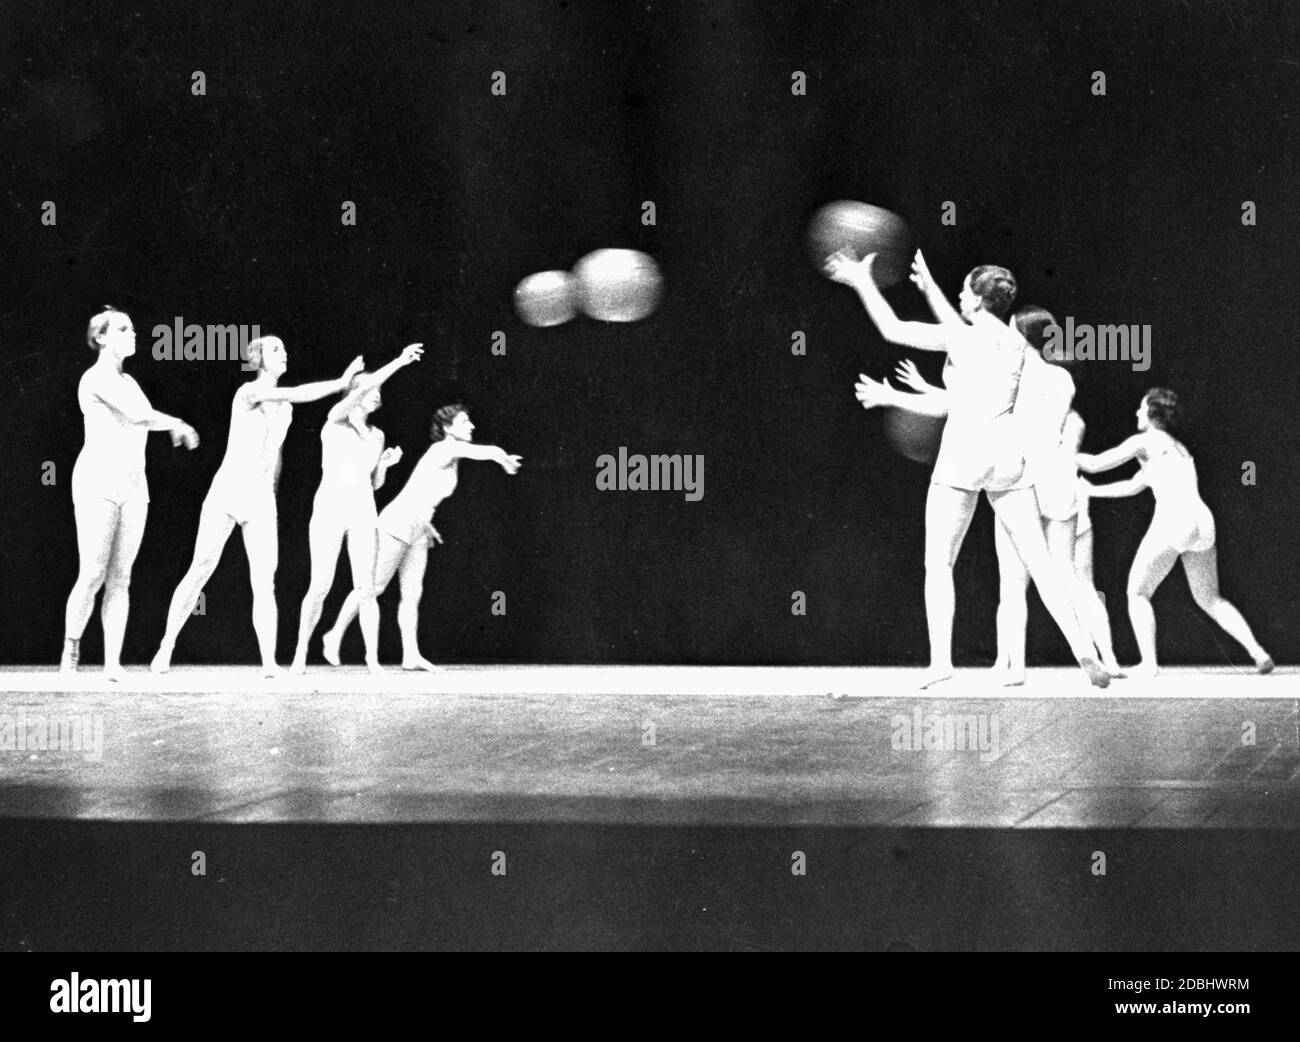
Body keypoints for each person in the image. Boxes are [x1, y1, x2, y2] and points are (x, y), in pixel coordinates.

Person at [828, 249, 1108, 688]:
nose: (959, 297)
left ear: (977, 300)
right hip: (1008, 460)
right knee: (1043, 563)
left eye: (964, 290)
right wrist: (932, 288)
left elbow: (892, 329)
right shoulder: (1017, 343)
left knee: (939, 564)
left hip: (965, 454)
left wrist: (862, 280)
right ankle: (1085, 652)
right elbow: (964, 344)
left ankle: (941, 662)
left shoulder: (961, 338)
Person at [893, 305, 1123, 684]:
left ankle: (1012, 667)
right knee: (1064, 574)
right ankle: (1094, 653)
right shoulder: (1064, 379)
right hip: (1061, 482)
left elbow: (967, 404)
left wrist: (915, 389)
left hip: (1021, 474)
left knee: (1012, 584)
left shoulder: (1007, 365)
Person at [150, 338, 365, 677]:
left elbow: (276, 454)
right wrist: (341, 382)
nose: (284, 353)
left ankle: (268, 662)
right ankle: (166, 646)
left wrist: (272, 495)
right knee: (201, 568)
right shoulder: (248, 392)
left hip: (261, 498)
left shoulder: (287, 410)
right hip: (227, 491)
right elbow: (294, 393)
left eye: (285, 348)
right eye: (276, 349)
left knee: (265, 582)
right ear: (259, 359)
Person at [1078, 387, 1273, 677]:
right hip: (1202, 522)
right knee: (1210, 598)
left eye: (1141, 408)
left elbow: (1095, 464)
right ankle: (1258, 652)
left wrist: (1059, 452)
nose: (1136, 413)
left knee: (1138, 592)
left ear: (1152, 413)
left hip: (1174, 520)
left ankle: (1150, 664)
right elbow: (1133, 485)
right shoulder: (1178, 448)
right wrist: (1092, 492)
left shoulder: (1143, 442)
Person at [321, 404, 522, 671]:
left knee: (413, 592)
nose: (471, 426)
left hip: (418, 525)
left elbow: (419, 490)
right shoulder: (444, 448)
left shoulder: (450, 454)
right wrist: (504, 458)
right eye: (465, 422)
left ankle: (411, 655)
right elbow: (485, 452)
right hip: (398, 522)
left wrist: (426, 525)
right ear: (448, 429)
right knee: (372, 588)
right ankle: (333, 635)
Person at [61, 306, 200, 681]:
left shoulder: (131, 383)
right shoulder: (94, 379)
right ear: (101, 338)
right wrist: (178, 423)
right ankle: (71, 648)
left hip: (134, 486)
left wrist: (166, 424)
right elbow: (140, 417)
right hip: (97, 483)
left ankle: (111, 662)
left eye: (133, 329)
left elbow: (142, 415)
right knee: (92, 573)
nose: (132, 334)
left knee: (121, 578)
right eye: (123, 329)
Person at [290, 342, 424, 673]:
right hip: (329, 510)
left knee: (366, 587)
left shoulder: (377, 435)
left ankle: (372, 660)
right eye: (372, 387)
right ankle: (300, 654)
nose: (377, 391)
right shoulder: (335, 419)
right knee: (320, 586)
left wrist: (385, 466)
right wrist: (399, 362)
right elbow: (362, 385)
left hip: (362, 510)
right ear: (356, 390)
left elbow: (374, 484)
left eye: (379, 388)